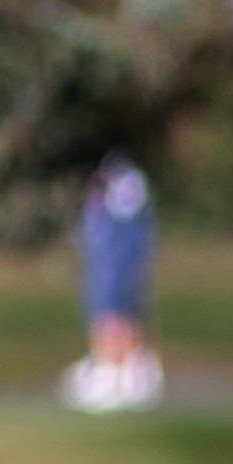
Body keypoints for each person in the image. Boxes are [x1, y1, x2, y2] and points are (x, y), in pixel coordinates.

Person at [63, 152, 162, 413]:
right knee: (112, 301)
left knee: (115, 303)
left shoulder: (122, 199)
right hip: (116, 242)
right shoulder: (114, 197)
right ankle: (112, 369)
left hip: (118, 244)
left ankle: (117, 372)